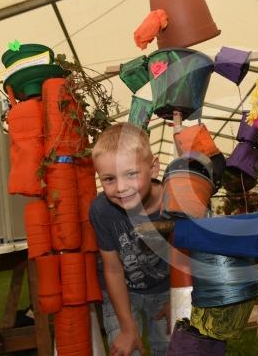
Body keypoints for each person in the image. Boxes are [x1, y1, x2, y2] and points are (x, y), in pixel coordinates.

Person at [90, 122, 170, 356]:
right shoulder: (101, 210)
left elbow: (191, 256)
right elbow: (113, 269)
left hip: (168, 289)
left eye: (131, 174)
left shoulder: (174, 202)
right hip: (123, 292)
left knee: (171, 347)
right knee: (123, 349)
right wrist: (126, 327)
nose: (121, 188)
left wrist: (178, 300)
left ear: (153, 168)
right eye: (109, 179)